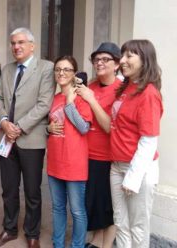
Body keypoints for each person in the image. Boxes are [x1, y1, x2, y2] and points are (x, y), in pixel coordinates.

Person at [0, 27, 55, 248]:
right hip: (6, 139)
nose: (16, 47)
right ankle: (9, 229)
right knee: (8, 189)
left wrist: (17, 127)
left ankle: (32, 233)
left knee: (32, 190)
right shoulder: (7, 69)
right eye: (13, 43)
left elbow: (44, 104)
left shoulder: (46, 68)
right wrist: (3, 122)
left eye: (20, 42)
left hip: (31, 139)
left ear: (32, 45)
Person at [109, 40, 162, 248]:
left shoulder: (149, 93)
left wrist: (133, 178)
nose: (122, 60)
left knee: (138, 227)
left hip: (137, 170)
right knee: (120, 223)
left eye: (129, 56)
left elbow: (149, 140)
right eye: (122, 56)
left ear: (145, 59)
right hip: (116, 166)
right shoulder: (126, 87)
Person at [76, 42, 122, 248]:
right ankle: (95, 241)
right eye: (97, 59)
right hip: (85, 155)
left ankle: (105, 245)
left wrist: (92, 100)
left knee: (107, 207)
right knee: (92, 204)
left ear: (117, 64)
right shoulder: (91, 86)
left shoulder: (121, 91)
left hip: (106, 158)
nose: (100, 63)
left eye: (106, 59)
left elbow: (109, 128)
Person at [46, 56, 93, 248]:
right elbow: (48, 124)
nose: (61, 73)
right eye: (58, 69)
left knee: (77, 210)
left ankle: (77, 245)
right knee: (57, 208)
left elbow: (83, 128)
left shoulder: (81, 98)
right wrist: (47, 129)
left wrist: (70, 103)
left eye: (66, 69)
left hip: (74, 164)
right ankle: (58, 244)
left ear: (74, 73)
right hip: (55, 162)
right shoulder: (53, 98)